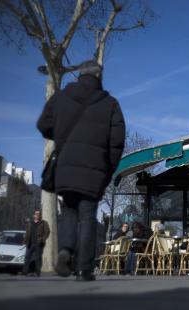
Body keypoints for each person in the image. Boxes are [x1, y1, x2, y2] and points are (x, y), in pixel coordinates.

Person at [37, 59, 125, 281]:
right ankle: (84, 269)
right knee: (87, 216)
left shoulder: (61, 97)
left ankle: (65, 250)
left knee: (68, 209)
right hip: (95, 168)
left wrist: (61, 137)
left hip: (66, 165)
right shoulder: (110, 104)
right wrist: (109, 169)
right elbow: (117, 142)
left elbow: (43, 124)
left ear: (78, 75)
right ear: (99, 76)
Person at [22, 210, 50, 276]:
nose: (37, 215)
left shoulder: (43, 223)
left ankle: (38, 271)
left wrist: (42, 239)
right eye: (36, 214)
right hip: (30, 243)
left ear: (40, 215)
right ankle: (25, 271)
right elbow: (27, 233)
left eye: (38, 214)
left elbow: (47, 232)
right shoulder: (30, 223)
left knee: (38, 258)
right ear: (33, 215)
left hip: (39, 243)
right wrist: (24, 241)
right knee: (27, 257)